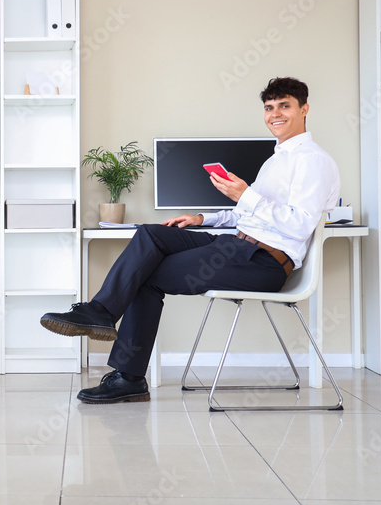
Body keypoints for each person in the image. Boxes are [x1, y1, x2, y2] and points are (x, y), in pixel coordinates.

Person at [40, 77, 340, 404]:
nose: (275, 114)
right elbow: (251, 215)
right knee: (151, 234)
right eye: (269, 108)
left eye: (284, 106)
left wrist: (246, 195)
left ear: (304, 109)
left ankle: (128, 375)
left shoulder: (313, 160)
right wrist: (203, 218)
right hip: (241, 246)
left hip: (264, 262)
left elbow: (299, 225)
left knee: (145, 275)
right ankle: (99, 313)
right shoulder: (275, 160)